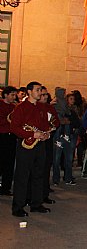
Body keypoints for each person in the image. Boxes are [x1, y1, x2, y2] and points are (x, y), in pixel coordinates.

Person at [10, 82, 52, 217]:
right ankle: (18, 207)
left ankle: (36, 203)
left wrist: (47, 133)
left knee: (39, 174)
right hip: (25, 145)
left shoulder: (41, 107)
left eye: (41, 90)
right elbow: (14, 128)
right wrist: (32, 134)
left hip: (40, 145)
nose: (40, 93)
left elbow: (45, 124)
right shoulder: (21, 108)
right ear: (29, 92)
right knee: (22, 176)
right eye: (38, 90)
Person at [0, 86, 18, 196]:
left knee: (10, 163)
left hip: (11, 136)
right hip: (2, 135)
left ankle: (6, 188)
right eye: (12, 94)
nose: (14, 97)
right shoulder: (1, 105)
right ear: (6, 95)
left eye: (14, 95)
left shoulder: (14, 106)